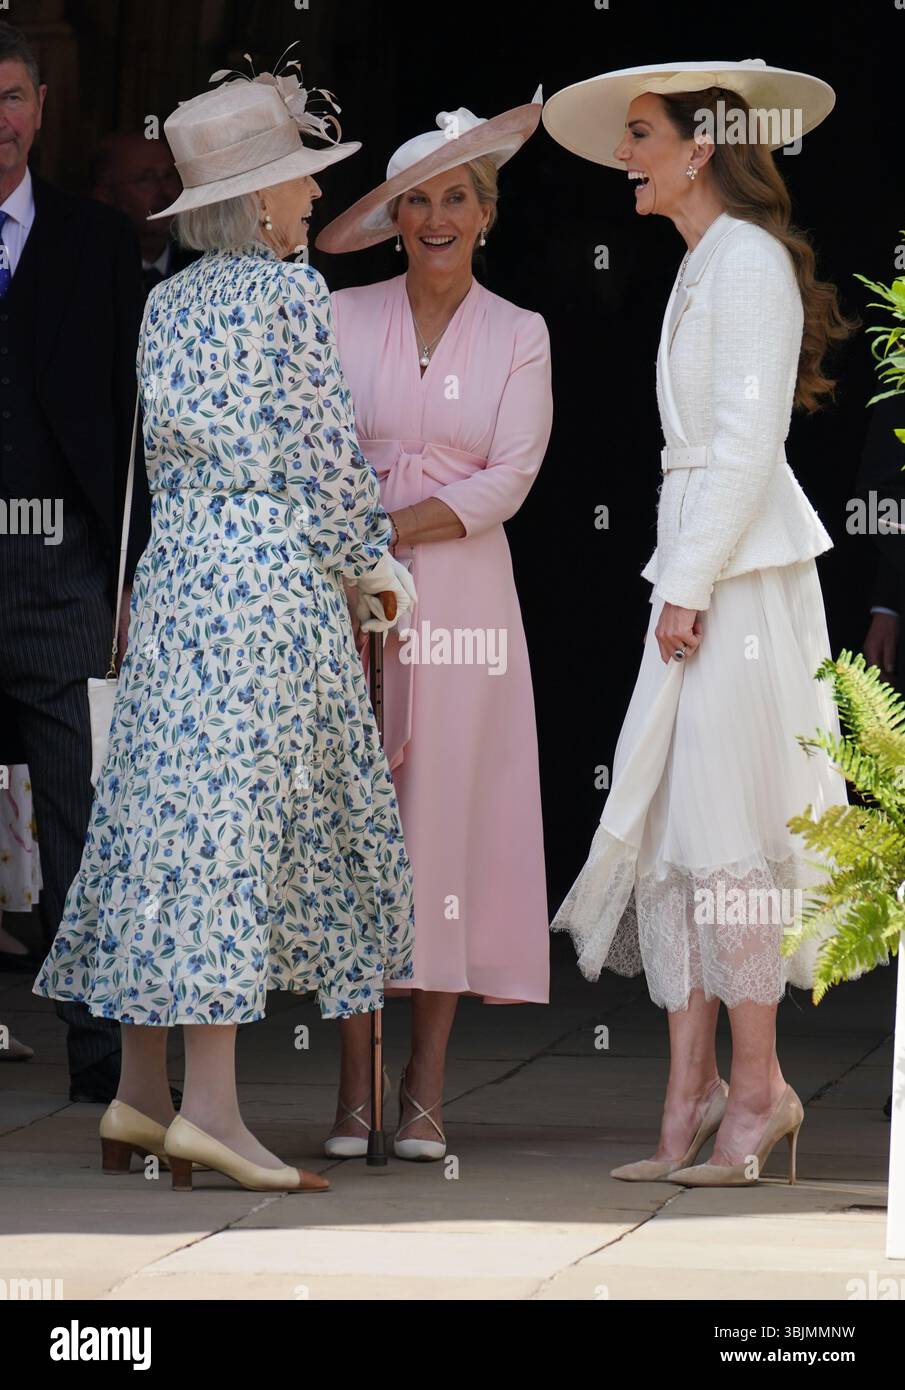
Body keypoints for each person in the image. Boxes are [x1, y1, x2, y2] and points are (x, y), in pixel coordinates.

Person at [34, 55, 416, 1194]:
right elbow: (326, 459)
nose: (310, 198)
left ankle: (138, 1097)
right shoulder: (289, 295)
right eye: (299, 180)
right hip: (264, 591)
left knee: (164, 823)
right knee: (230, 843)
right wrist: (372, 564)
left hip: (178, 587)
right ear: (257, 200)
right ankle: (209, 1112)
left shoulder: (165, 301)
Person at [544, 59, 854, 1186]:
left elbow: (744, 438)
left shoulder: (748, 264)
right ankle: (688, 1091)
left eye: (639, 135)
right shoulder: (700, 264)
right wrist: (677, 574)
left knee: (728, 821)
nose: (624, 157)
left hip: (730, 570)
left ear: (698, 148)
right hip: (696, 559)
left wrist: (687, 582)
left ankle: (757, 1088)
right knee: (679, 816)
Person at [315, 92, 552, 1160]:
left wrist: (386, 527)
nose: (439, 216)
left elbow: (509, 477)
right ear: (394, 220)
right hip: (340, 602)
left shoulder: (521, 333)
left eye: (457, 196)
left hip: (460, 606)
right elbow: (312, 451)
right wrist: (352, 550)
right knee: (351, 829)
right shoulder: (337, 315)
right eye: (418, 202)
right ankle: (352, 1087)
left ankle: (422, 1092)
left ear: (485, 212)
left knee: (443, 827)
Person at [0, 21, 150, 1101]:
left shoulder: (97, 244)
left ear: (41, 107)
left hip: (63, 570)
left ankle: (101, 1060)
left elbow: (131, 425)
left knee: (79, 816)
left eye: (10, 96)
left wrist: (131, 573)